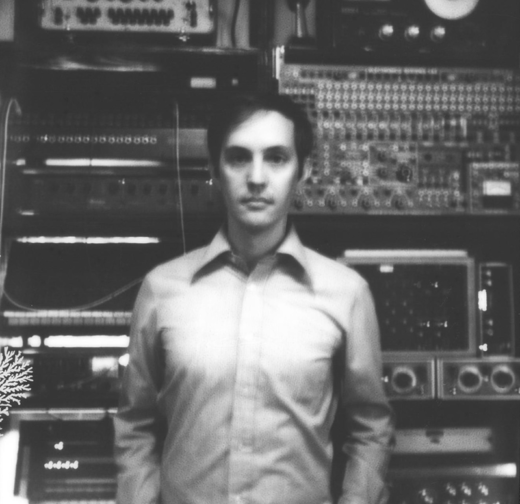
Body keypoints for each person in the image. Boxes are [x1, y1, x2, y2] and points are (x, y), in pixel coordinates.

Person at [114, 93, 394, 504]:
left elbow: (370, 427)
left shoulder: (347, 294)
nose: (257, 177)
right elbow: (135, 425)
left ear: (303, 172)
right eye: (239, 157)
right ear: (214, 170)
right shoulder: (161, 290)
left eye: (277, 158)